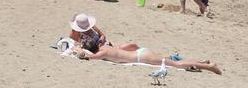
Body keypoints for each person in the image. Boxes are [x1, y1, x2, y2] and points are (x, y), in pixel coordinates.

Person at [75, 43, 222, 75]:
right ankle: (201, 63)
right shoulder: (107, 47)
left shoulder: (102, 53)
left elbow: (89, 57)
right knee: (168, 60)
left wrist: (79, 51)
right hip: (142, 51)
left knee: (177, 64)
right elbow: (132, 44)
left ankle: (210, 67)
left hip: (141, 56)